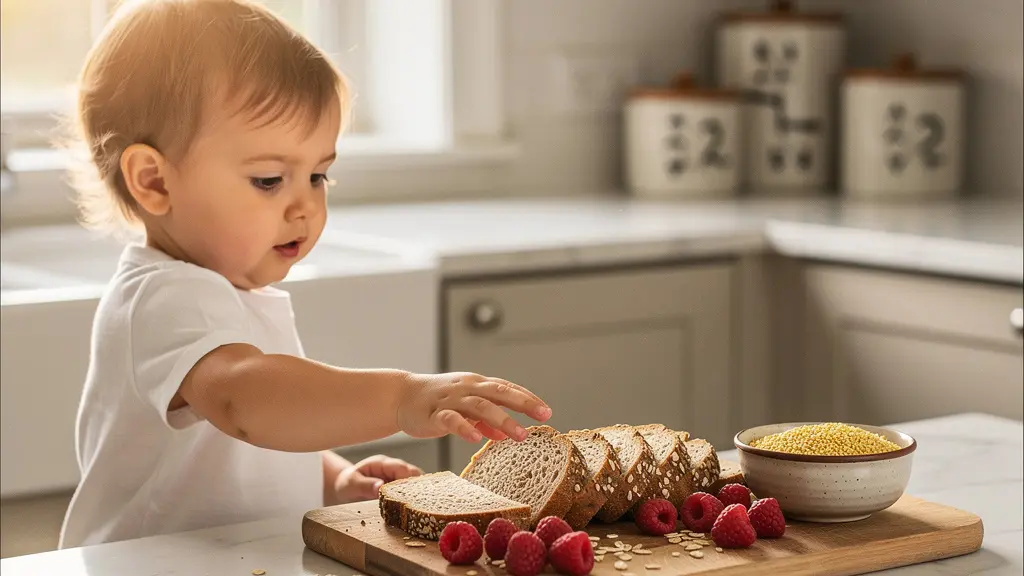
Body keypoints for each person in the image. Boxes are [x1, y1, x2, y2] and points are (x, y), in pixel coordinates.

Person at [58, 0, 551, 549]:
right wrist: (403, 396)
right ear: (154, 181)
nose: (305, 208)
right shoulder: (164, 295)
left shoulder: (230, 294)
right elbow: (247, 403)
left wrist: (333, 478)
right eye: (269, 179)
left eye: (318, 175)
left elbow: (260, 434)